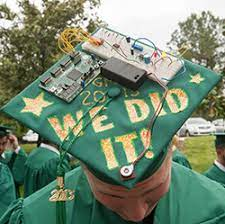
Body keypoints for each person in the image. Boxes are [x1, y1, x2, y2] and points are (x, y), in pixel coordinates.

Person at [0, 29, 225, 223]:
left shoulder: (217, 207)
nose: (136, 214)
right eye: (113, 196)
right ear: (84, 167)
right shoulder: (37, 217)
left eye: (150, 192)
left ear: (170, 154)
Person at [0, 125, 27, 197]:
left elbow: (20, 178)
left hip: (11, 201)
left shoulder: (10, 157)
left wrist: (16, 147)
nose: (1, 148)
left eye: (3, 143)